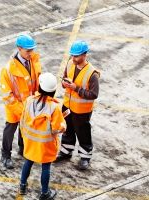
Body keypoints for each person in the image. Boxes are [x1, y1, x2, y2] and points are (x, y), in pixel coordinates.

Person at [18, 72, 66, 200]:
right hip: (46, 144)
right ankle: (45, 193)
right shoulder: (54, 107)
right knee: (46, 167)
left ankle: (22, 185)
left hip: (30, 141)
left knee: (28, 162)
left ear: (39, 87)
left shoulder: (29, 101)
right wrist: (63, 124)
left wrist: (24, 137)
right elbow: (57, 129)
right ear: (53, 90)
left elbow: (22, 120)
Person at [55, 40, 100, 170]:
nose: (73, 58)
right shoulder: (70, 63)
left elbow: (93, 94)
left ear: (85, 55)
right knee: (67, 130)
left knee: (83, 133)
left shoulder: (92, 74)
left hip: (82, 111)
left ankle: (85, 156)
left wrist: (75, 88)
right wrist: (64, 84)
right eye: (72, 55)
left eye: (76, 56)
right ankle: (66, 151)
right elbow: (64, 77)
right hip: (67, 106)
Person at [0, 34, 42, 169]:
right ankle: (5, 155)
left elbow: (36, 81)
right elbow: (7, 96)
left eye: (32, 50)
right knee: (10, 129)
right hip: (15, 107)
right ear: (19, 48)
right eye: (28, 51)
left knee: (25, 128)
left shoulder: (33, 61)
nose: (31, 53)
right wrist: (21, 110)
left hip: (29, 104)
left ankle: (22, 148)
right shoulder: (8, 70)